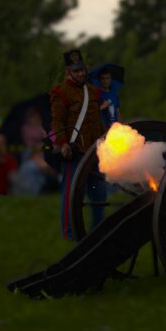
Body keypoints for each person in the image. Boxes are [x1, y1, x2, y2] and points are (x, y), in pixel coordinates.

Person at [50, 49, 107, 240]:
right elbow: (58, 121)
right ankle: (69, 234)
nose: (81, 74)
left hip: (94, 150)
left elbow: (97, 119)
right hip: (74, 151)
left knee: (99, 194)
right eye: (76, 71)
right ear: (68, 72)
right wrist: (63, 143)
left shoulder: (92, 91)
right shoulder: (60, 93)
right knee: (72, 195)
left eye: (82, 70)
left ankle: (97, 232)